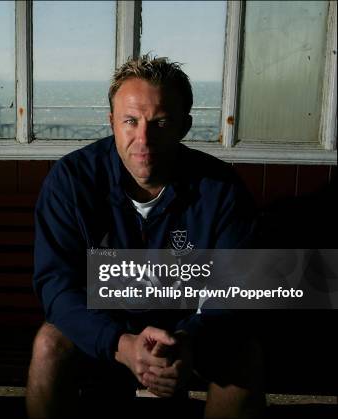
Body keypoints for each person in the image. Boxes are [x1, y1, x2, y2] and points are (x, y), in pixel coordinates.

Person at [26, 55, 265, 418]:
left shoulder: (221, 190)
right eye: (130, 121)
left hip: (189, 332)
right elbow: (57, 287)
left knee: (244, 355)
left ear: (183, 126)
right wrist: (120, 344)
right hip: (105, 330)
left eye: (160, 123)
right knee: (48, 344)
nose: (143, 139)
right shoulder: (71, 181)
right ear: (111, 122)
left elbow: (236, 288)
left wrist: (190, 341)